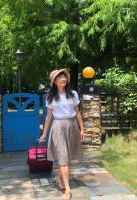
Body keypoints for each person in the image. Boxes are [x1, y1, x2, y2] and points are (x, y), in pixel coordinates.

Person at [39, 68, 84, 200]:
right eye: (60, 78)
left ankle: (60, 180)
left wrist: (82, 129)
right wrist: (44, 133)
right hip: (58, 127)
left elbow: (77, 112)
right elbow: (48, 117)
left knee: (66, 157)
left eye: (64, 77)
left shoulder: (73, 94)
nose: (63, 79)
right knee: (63, 158)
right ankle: (68, 190)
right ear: (54, 82)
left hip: (72, 126)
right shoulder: (51, 97)